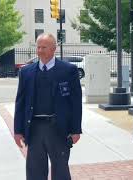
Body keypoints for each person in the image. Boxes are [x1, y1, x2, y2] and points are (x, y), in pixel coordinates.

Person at [14, 33, 82, 180]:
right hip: (34, 129)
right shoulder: (26, 72)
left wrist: (76, 130)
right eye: (38, 47)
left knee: (60, 171)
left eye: (44, 47)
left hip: (58, 129)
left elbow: (76, 102)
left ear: (54, 49)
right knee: (35, 171)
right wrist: (18, 130)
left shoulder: (68, 70)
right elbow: (20, 102)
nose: (40, 50)